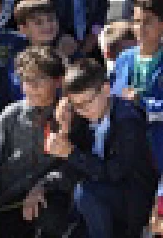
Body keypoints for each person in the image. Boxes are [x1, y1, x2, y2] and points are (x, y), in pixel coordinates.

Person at [56, 58, 157, 238]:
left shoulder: (128, 120)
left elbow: (115, 172)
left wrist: (72, 153)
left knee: (85, 191)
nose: (84, 110)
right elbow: (71, 170)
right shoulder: (80, 116)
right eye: (77, 105)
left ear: (106, 89)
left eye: (88, 102)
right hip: (98, 201)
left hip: (132, 200)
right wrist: (65, 131)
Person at [0, 47, 68, 238]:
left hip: (49, 196)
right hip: (10, 200)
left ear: (58, 81)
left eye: (39, 79)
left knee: (51, 221)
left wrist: (43, 185)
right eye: (26, 80)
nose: (31, 87)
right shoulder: (10, 116)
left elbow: (73, 166)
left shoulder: (68, 117)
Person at [111, 0, 163, 172]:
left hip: (162, 150)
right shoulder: (123, 59)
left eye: (147, 21)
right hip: (126, 149)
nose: (140, 27)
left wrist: (143, 104)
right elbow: (110, 98)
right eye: (136, 21)